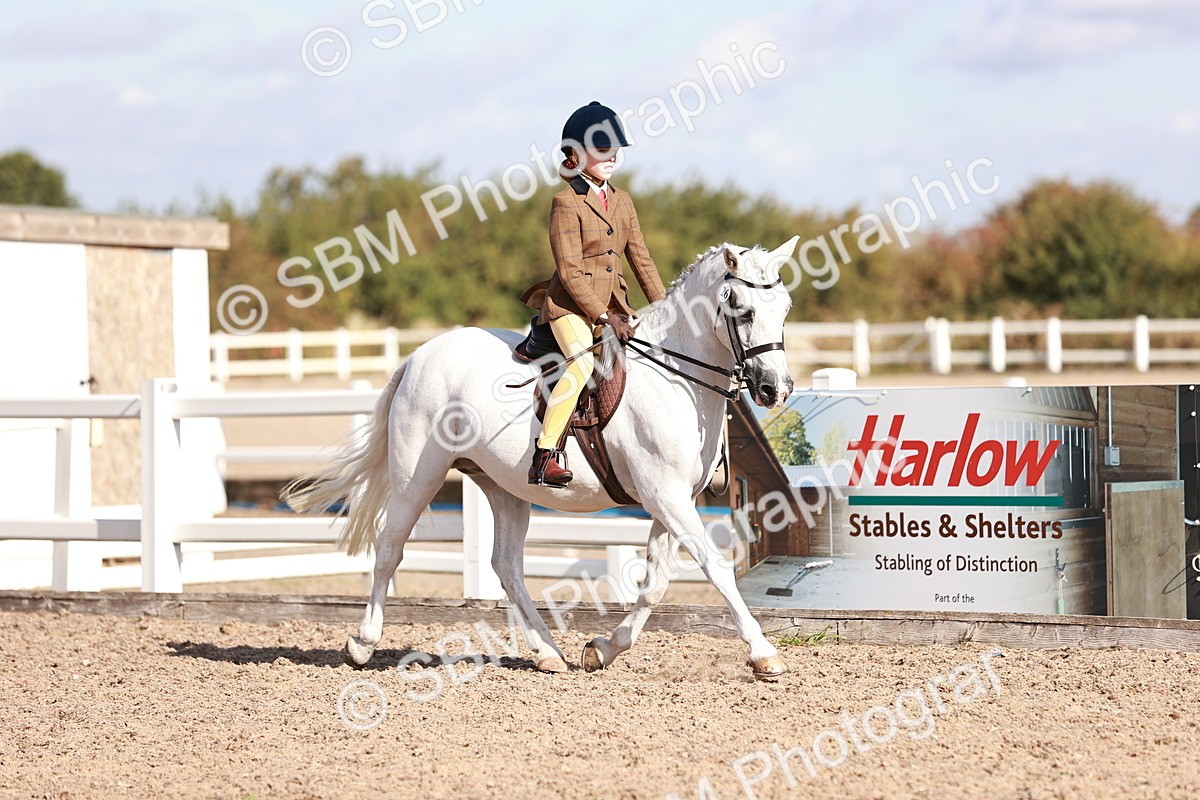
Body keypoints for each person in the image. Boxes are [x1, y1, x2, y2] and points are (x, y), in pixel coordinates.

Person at [519, 101, 667, 486]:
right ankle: (545, 454)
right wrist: (603, 316)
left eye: (615, 149)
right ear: (576, 153)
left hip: (615, 305)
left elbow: (642, 259)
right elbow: (569, 271)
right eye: (603, 149)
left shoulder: (623, 201)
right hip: (570, 307)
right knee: (583, 363)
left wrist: (668, 307)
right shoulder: (565, 203)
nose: (612, 157)